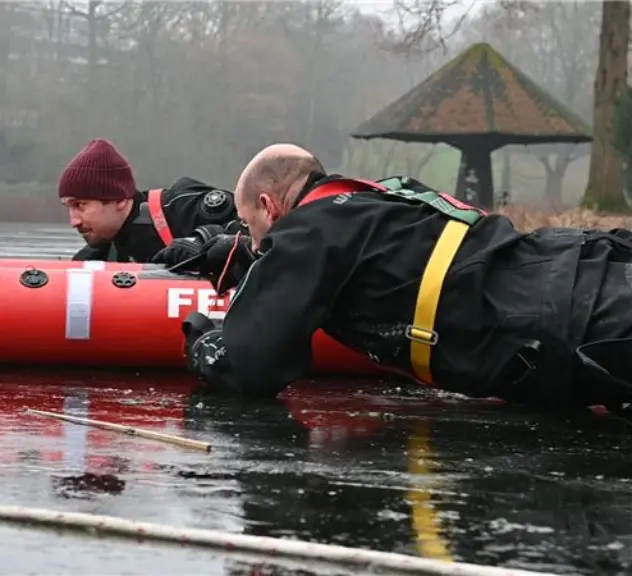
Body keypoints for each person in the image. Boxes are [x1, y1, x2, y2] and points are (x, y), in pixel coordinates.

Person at [160, 142, 632, 416]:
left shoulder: (305, 233)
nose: (258, 241)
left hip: (570, 323)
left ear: (269, 206)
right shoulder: (380, 200)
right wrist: (248, 254)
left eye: (251, 227)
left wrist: (203, 343)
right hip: (582, 262)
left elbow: (250, 365)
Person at [58, 138, 240, 262]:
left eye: (80, 205)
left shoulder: (181, 207)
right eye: (68, 207)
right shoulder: (95, 258)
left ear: (120, 199)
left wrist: (204, 241)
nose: (74, 221)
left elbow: (260, 225)